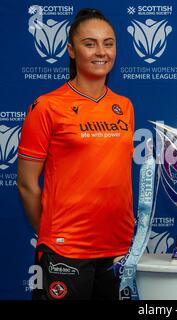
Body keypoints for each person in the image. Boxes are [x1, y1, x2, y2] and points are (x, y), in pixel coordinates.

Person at [17, 8, 135, 300]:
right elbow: (27, 184)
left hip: (119, 249)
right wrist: (51, 233)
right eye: (90, 43)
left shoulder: (125, 106)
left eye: (108, 43)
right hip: (65, 250)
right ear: (71, 50)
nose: (101, 52)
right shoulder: (46, 106)